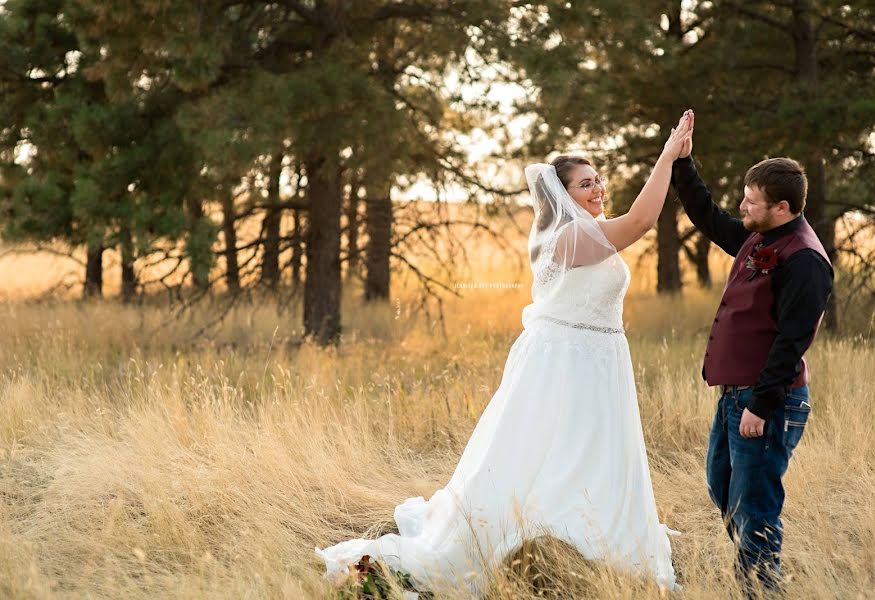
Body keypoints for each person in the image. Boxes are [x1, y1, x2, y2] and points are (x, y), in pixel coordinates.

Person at [315, 111, 695, 597]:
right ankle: (543, 541)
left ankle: (593, 537)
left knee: (587, 452)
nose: (597, 189)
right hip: (568, 366)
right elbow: (642, 220)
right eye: (585, 185)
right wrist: (668, 153)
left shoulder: (584, 231)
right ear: (562, 196)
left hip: (594, 362)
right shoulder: (571, 237)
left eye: (598, 180)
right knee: (555, 452)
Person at [670, 112, 833, 594]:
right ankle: (758, 578)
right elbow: (711, 217)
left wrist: (760, 405)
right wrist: (683, 164)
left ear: (781, 207)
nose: (741, 205)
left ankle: (762, 589)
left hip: (769, 402)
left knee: (755, 505)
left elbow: (792, 341)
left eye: (751, 200)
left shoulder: (804, 259)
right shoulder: (761, 236)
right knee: (723, 488)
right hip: (735, 397)